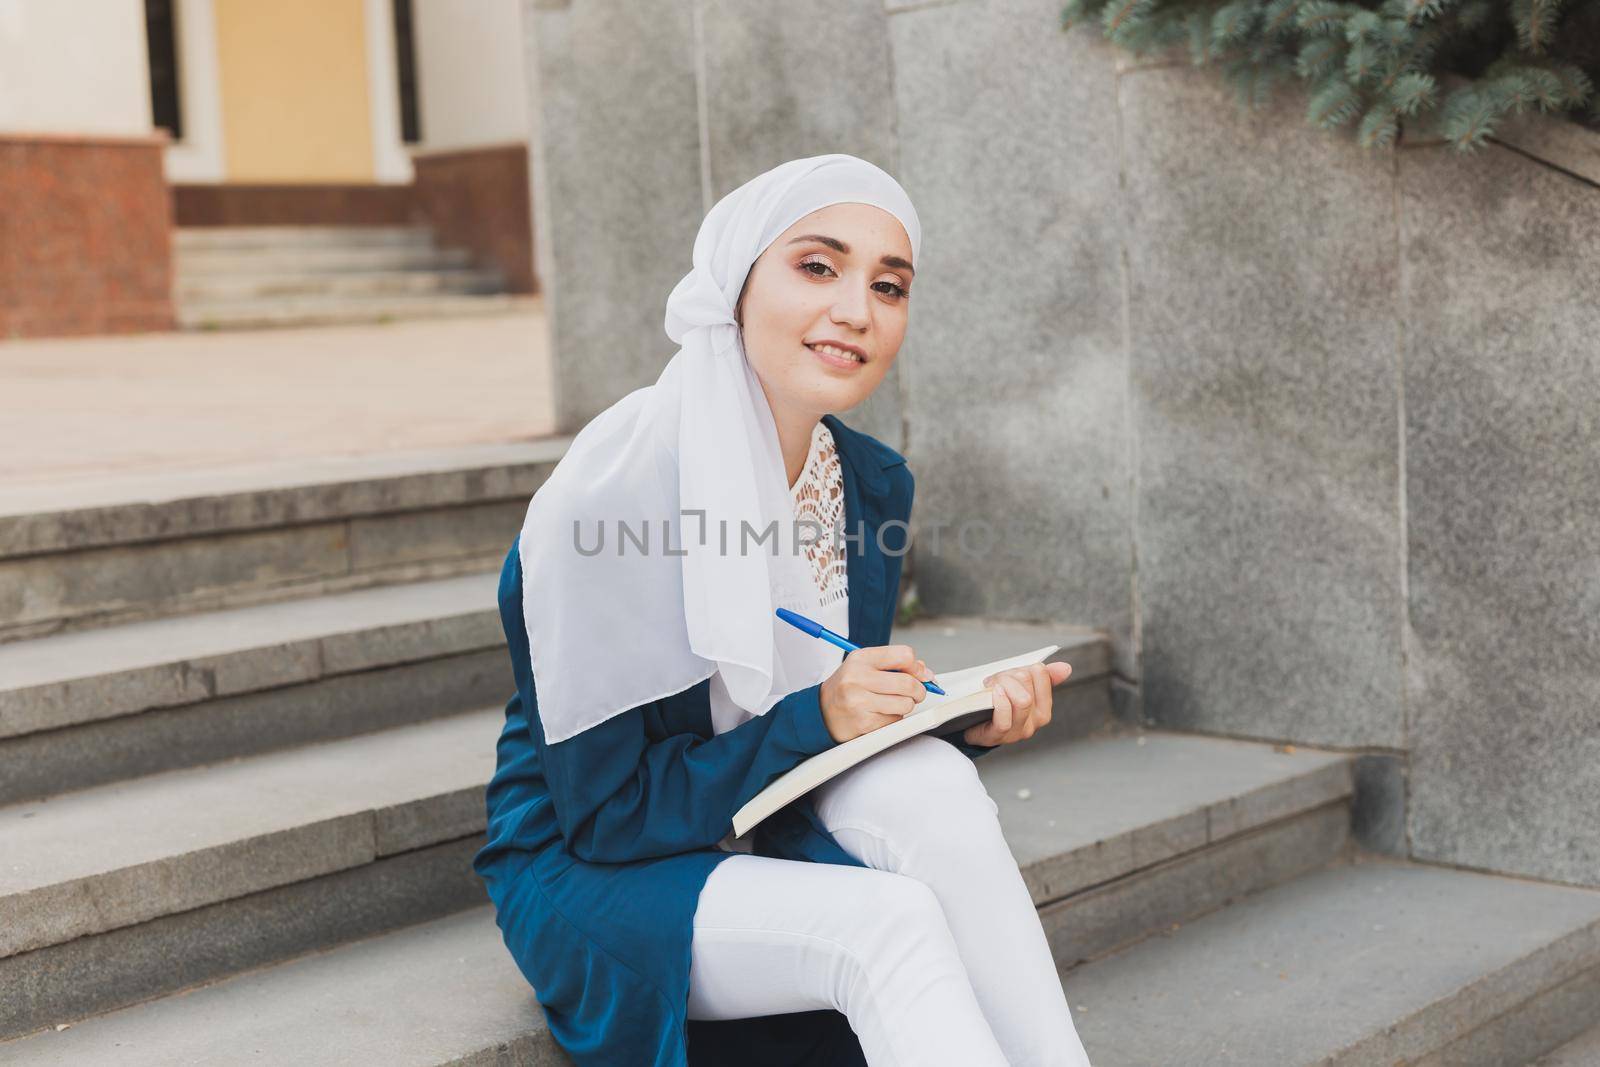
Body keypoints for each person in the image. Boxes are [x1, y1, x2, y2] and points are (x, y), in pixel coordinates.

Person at [472, 153, 1093, 1066]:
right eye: (817, 266)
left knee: (936, 784)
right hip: (597, 862)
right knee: (890, 924)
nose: (856, 309)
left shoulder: (867, 483)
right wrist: (822, 714)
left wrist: (956, 717)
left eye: (889, 285)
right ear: (737, 283)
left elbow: (823, 721)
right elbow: (606, 815)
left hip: (757, 808)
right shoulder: (611, 495)